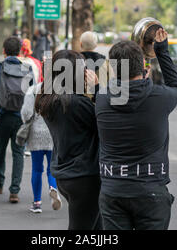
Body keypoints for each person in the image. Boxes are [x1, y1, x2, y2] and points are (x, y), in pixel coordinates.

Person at [95, 29, 177, 230]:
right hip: (150, 190)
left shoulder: (102, 98)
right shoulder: (160, 97)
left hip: (113, 189)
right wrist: (161, 52)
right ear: (142, 66)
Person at [35, 50, 102, 230]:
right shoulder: (76, 103)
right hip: (84, 177)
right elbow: (105, 122)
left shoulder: (48, 98)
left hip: (66, 172)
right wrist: (97, 89)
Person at [0, 37, 34, 203]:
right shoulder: (28, 69)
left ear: (4, 51)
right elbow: (31, 97)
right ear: (20, 51)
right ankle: (14, 191)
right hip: (20, 118)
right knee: (18, 153)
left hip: (0, 116)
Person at [21, 83, 62, 213]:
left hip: (35, 134)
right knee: (51, 169)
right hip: (52, 134)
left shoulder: (33, 89)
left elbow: (26, 113)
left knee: (37, 169)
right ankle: (52, 188)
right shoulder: (59, 89)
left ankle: (37, 203)